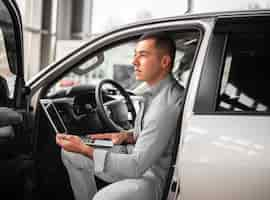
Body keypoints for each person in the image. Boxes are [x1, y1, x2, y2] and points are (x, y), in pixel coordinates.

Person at [56, 32, 184, 200]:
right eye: (135, 55)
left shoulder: (166, 105)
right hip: (138, 158)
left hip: (152, 177)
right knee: (70, 153)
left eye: (143, 55)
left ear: (165, 62)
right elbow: (155, 136)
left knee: (102, 198)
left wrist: (84, 148)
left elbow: (135, 167)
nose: (134, 62)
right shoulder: (152, 92)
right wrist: (125, 136)